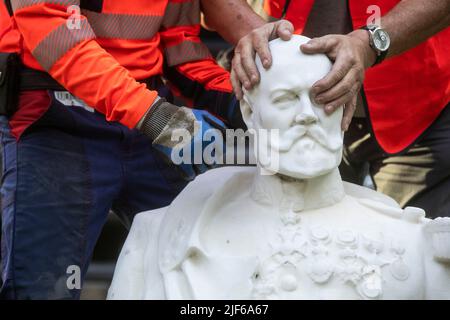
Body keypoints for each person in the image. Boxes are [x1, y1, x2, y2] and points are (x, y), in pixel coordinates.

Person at [107, 36, 450, 300]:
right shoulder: (157, 235)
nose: (307, 114)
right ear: (249, 113)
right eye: (286, 99)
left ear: (348, 106)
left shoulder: (418, 244)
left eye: (324, 97)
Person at [0, 0, 257, 299]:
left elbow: (179, 44)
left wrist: (250, 99)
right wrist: (158, 118)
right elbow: (53, 31)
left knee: (206, 275)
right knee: (43, 290)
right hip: (56, 116)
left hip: (146, 110)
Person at [216, 0, 450, 217]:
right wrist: (252, 32)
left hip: (416, 112)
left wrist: (371, 42)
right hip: (284, 114)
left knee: (409, 244)